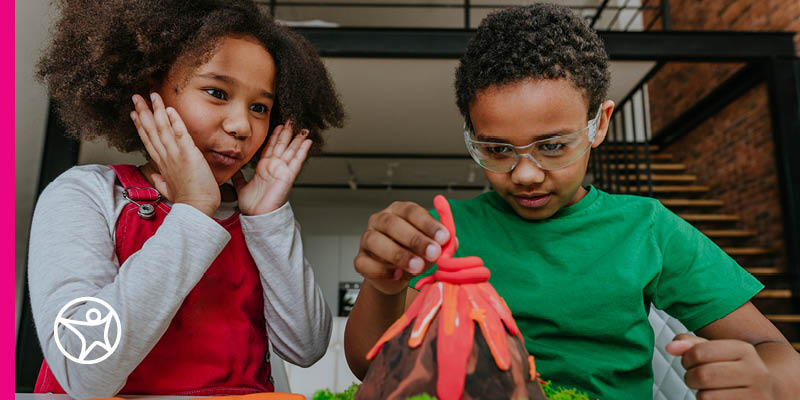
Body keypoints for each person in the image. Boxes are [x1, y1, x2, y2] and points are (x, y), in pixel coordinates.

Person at [344, 4, 800, 399]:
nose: (524, 174)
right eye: (498, 150)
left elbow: (779, 354)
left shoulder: (646, 228)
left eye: (553, 146)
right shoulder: (441, 232)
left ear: (598, 124)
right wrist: (384, 288)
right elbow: (369, 367)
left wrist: (768, 381)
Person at [28, 1, 345, 398]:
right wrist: (193, 209)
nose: (241, 125)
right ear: (148, 88)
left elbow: (306, 348)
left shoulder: (256, 217)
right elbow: (84, 370)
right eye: (216, 92)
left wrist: (268, 220)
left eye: (260, 108)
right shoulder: (86, 194)